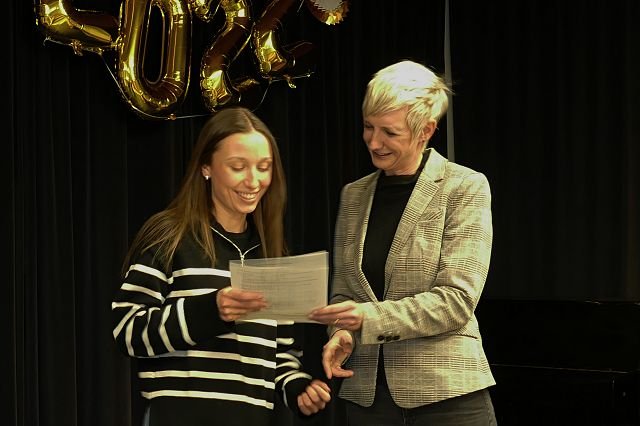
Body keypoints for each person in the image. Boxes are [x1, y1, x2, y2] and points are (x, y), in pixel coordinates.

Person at [112, 107, 331, 426]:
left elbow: (279, 354)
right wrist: (210, 311)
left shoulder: (269, 252)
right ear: (206, 167)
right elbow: (128, 331)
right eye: (238, 167)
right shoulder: (170, 236)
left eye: (264, 167)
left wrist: (297, 387)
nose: (253, 180)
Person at [309, 60, 497, 425]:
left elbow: (457, 301)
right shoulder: (353, 195)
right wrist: (343, 332)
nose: (373, 142)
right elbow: (345, 292)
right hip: (367, 401)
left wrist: (367, 318)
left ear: (426, 130)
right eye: (368, 126)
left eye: (390, 132)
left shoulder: (465, 187)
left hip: (448, 397)